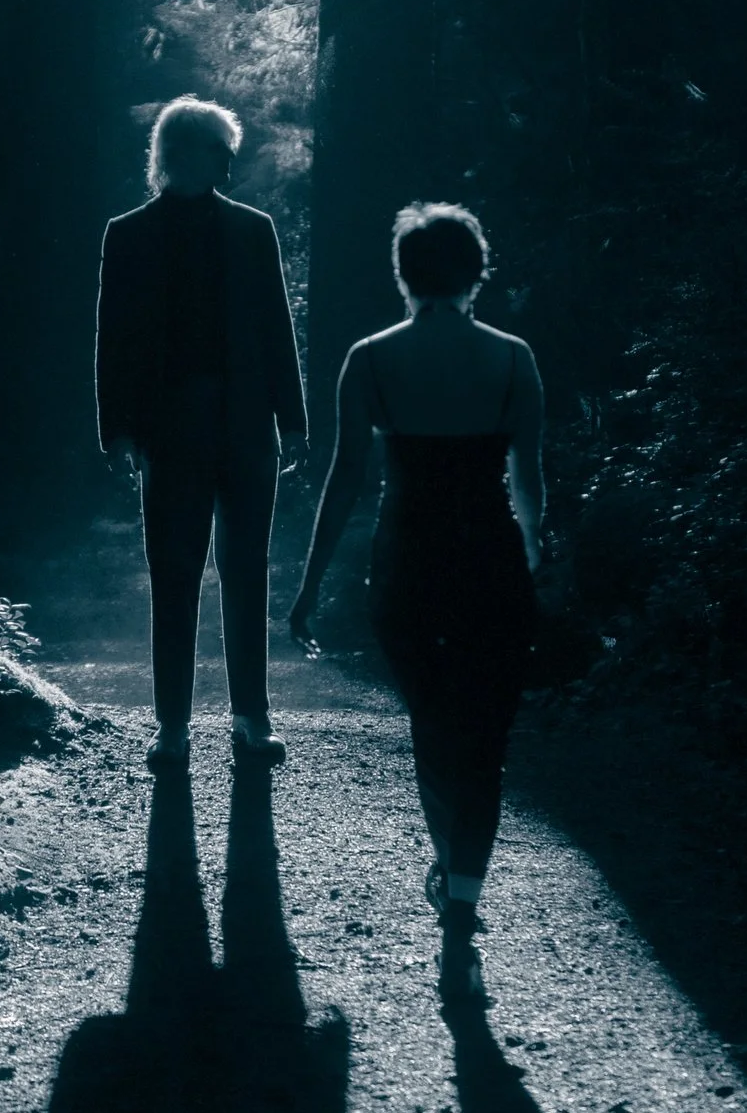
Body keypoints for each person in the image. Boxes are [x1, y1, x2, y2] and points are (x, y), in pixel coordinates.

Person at [288, 202, 542, 999]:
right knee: (486, 743)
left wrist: (309, 584)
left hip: (410, 568)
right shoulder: (512, 360)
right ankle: (461, 911)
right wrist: (537, 571)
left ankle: (451, 886)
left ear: (404, 273)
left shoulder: (370, 359)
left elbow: (344, 482)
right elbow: (529, 487)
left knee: (435, 732)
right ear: (477, 270)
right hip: (493, 568)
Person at [96, 95, 308, 770]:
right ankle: (173, 725)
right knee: (175, 571)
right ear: (185, 151)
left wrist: (294, 419)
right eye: (221, 148)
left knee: (247, 569)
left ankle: (252, 716)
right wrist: (118, 431)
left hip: (246, 423)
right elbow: (114, 341)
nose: (230, 159)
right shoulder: (125, 234)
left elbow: (277, 327)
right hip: (170, 427)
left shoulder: (255, 229)